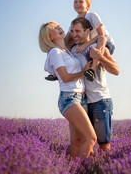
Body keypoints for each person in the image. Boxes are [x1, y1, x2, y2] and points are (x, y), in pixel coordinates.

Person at [39, 21, 97, 159]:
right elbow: (65, 77)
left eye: (58, 25)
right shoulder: (55, 52)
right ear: (49, 37)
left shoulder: (66, 51)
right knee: (91, 138)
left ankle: (67, 168)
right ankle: (79, 169)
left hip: (81, 97)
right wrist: (84, 72)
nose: (59, 27)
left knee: (77, 142)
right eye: (54, 28)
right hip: (69, 98)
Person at [70, 17, 120, 151]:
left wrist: (100, 56)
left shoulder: (99, 47)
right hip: (82, 102)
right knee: (85, 142)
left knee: (104, 145)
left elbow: (116, 70)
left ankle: (106, 170)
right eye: (72, 31)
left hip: (100, 100)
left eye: (78, 31)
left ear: (87, 31)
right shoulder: (72, 51)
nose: (74, 34)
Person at [64, 0, 115, 82]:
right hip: (92, 43)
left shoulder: (92, 16)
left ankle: (93, 70)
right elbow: (67, 39)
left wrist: (84, 45)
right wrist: (58, 49)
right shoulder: (76, 21)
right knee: (70, 42)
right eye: (75, 2)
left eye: (81, 2)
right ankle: (62, 67)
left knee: (101, 39)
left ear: (88, 5)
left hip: (106, 43)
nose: (77, 4)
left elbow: (101, 35)